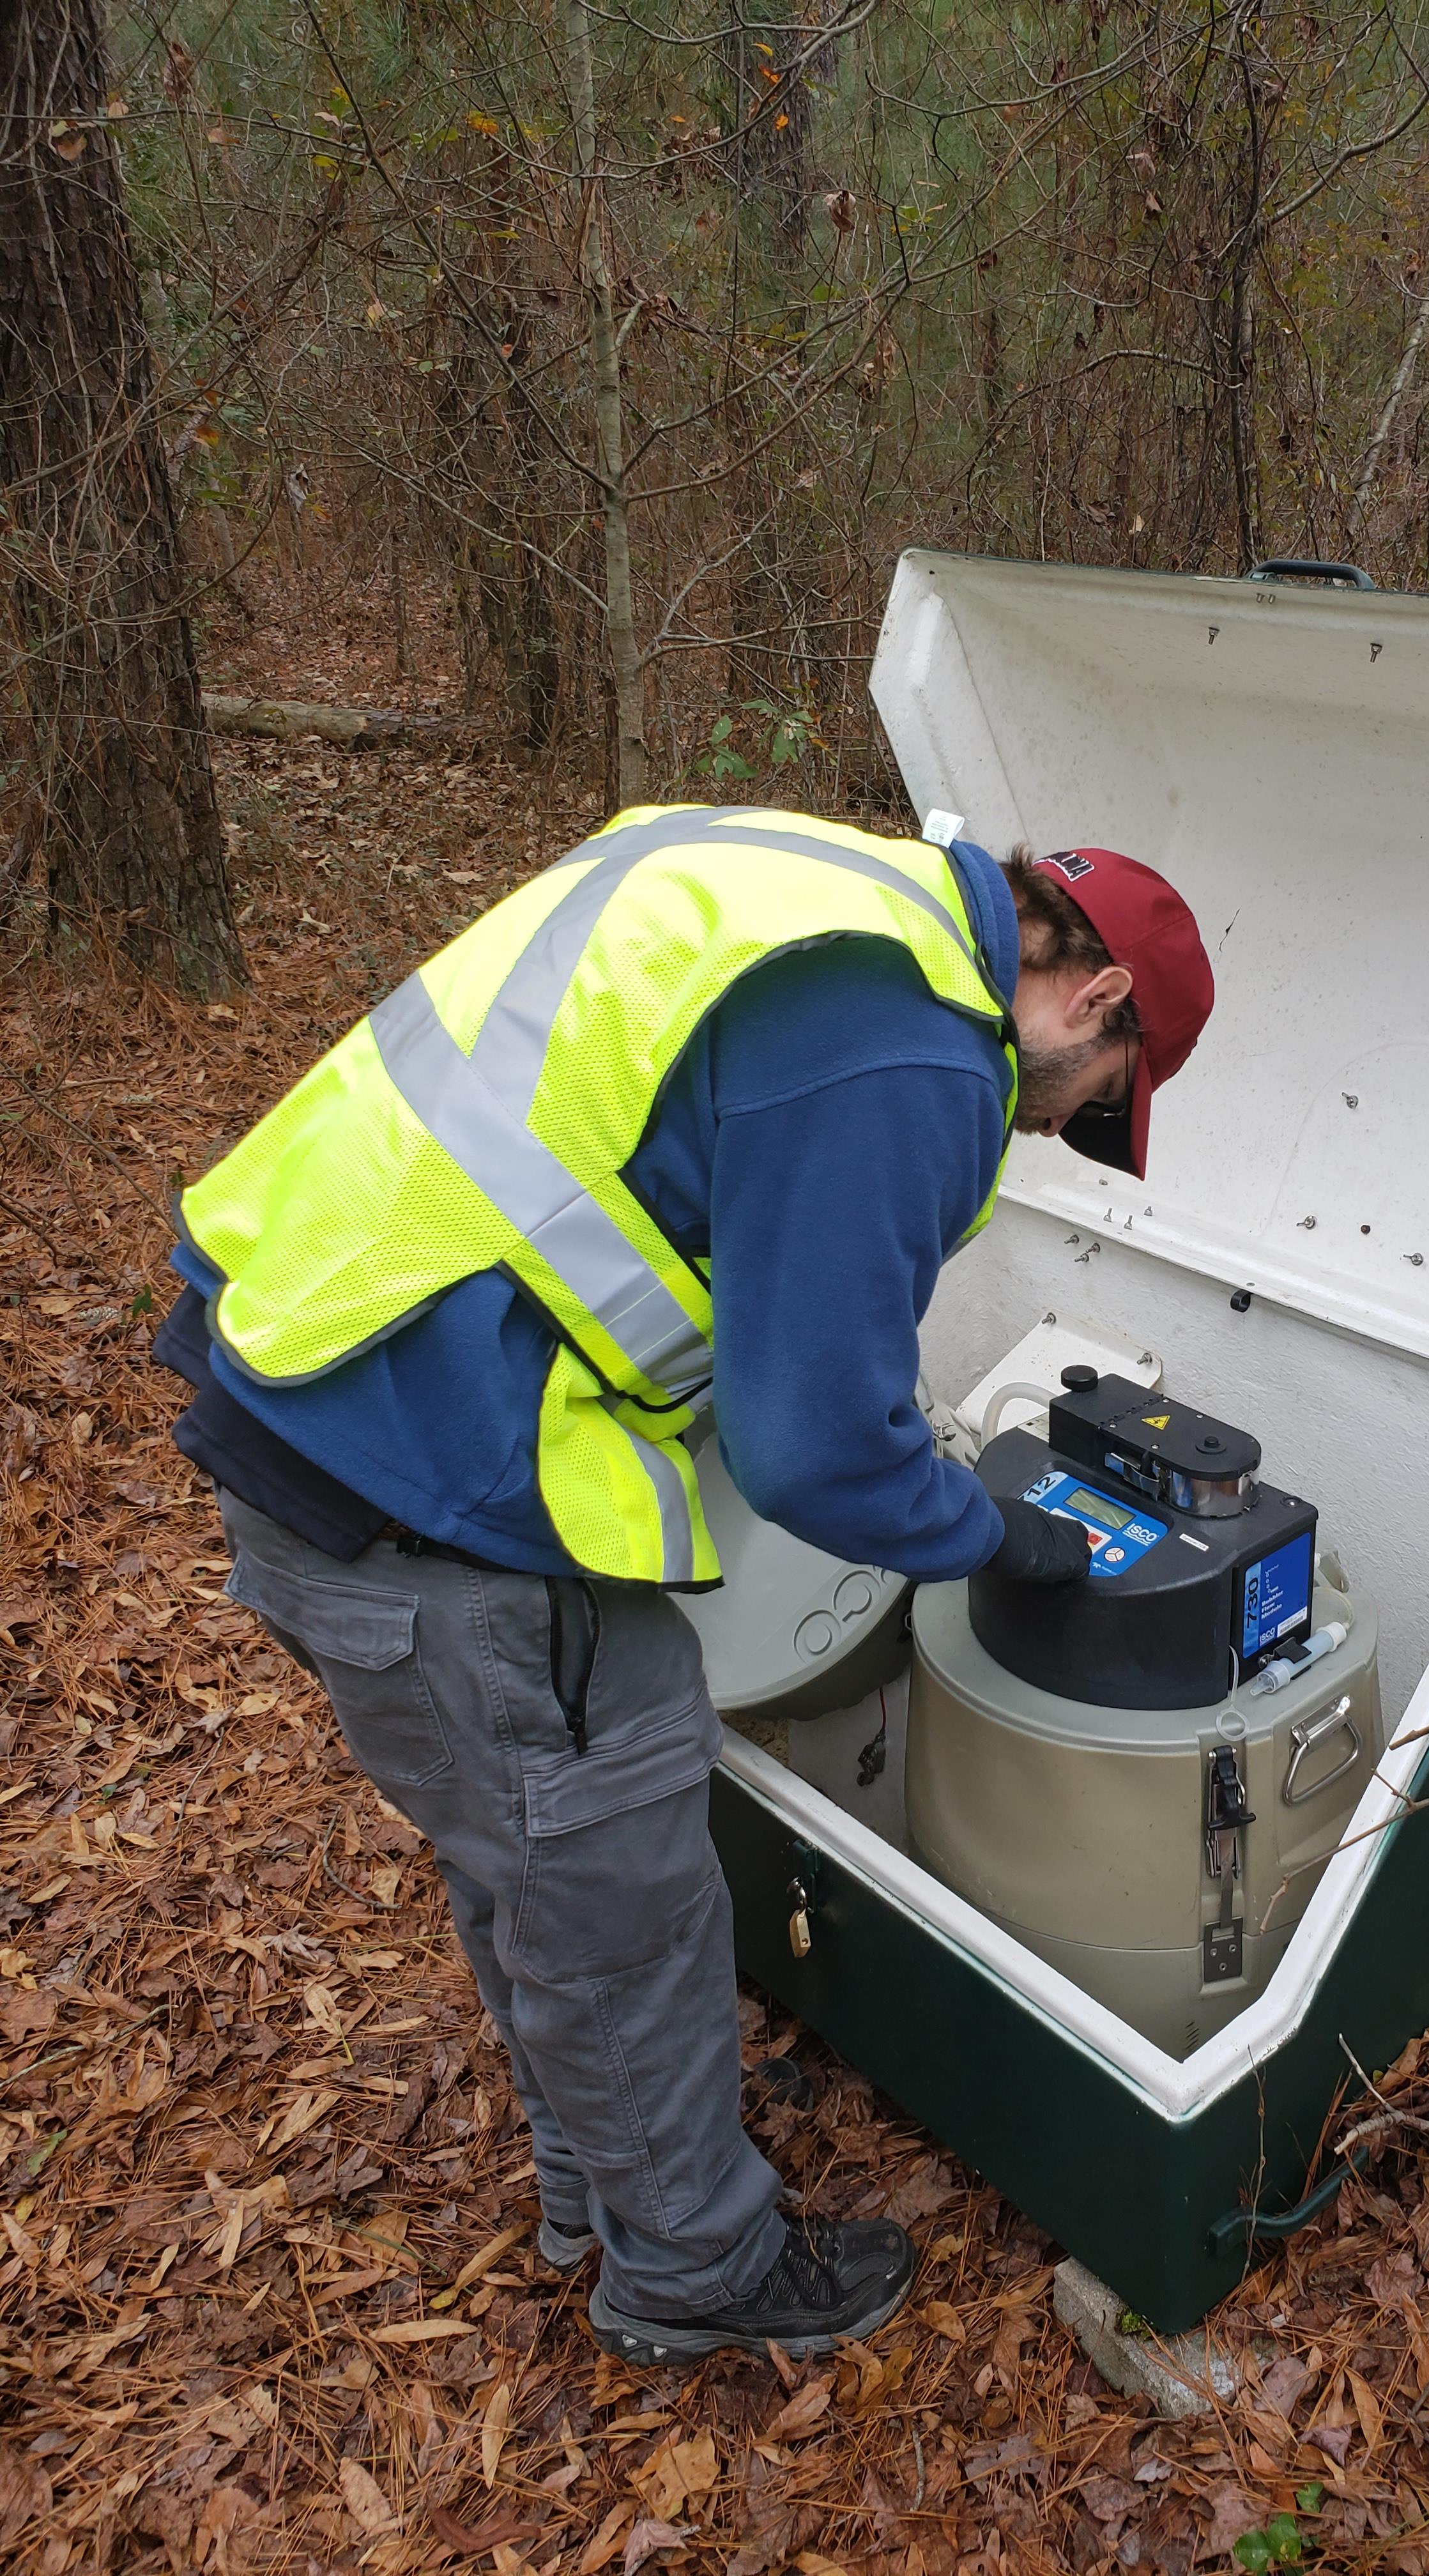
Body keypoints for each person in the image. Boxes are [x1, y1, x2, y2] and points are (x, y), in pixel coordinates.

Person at [155, 804, 1214, 2365]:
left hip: (317, 1365)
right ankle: (693, 2269)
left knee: (530, 1856)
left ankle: (606, 2179)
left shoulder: (801, 884)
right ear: (1097, 1001)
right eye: (1102, 1100)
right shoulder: (915, 1046)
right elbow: (818, 1457)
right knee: (620, 1895)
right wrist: (1006, 1536)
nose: (1065, 1127)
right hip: (439, 1483)